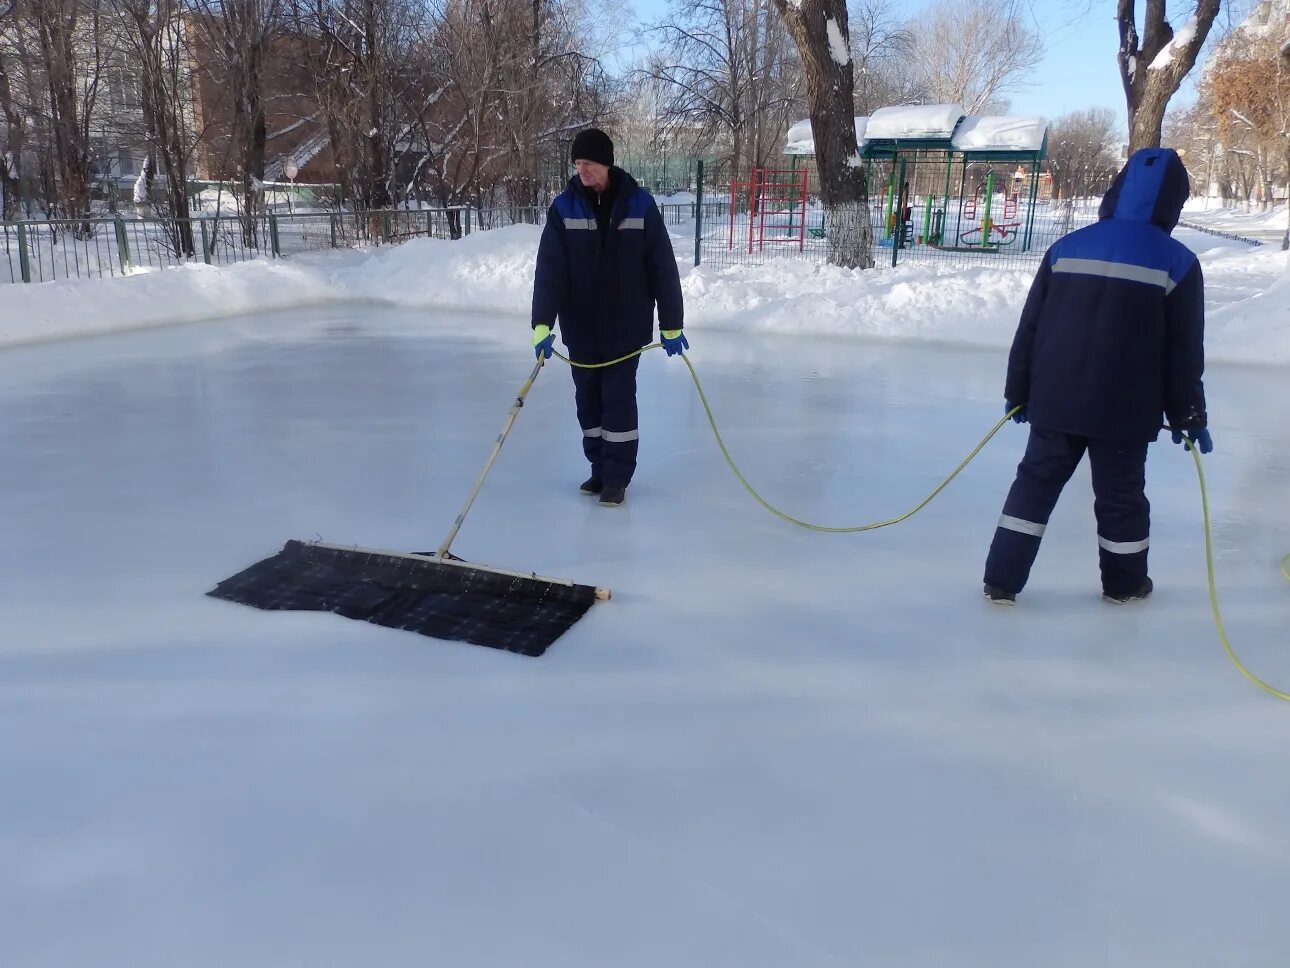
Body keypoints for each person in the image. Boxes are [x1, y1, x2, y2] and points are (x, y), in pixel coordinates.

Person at [982, 147, 1211, 606]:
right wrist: (1187, 414)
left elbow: (1030, 328)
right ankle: (1125, 585)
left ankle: (1001, 580)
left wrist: (1019, 391)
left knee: (1034, 485)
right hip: (1125, 413)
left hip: (1055, 401)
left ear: (1115, 192)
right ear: (1173, 204)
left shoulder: (1066, 248)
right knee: (1121, 498)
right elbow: (1183, 353)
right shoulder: (1179, 263)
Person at [530, 128, 686, 508]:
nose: (582, 170)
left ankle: (617, 478)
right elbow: (550, 271)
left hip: (624, 329)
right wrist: (542, 323)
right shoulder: (563, 209)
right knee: (588, 404)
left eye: (589, 163)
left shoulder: (640, 205)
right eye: (578, 163)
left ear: (607, 163)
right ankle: (599, 469)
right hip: (580, 330)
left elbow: (662, 268)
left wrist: (671, 322)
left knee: (617, 401)